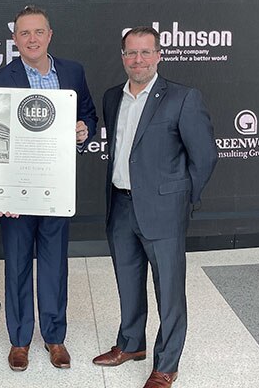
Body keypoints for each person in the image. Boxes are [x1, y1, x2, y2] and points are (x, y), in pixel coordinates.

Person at [91, 26, 217, 388]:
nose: (138, 60)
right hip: (120, 205)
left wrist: (182, 200)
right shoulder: (112, 97)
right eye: (131, 53)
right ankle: (131, 345)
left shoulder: (182, 97)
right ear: (122, 57)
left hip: (164, 212)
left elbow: (205, 156)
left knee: (170, 292)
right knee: (128, 283)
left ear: (159, 55)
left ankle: (166, 365)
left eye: (146, 52)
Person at [0, 5, 98, 371]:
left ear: (49, 35)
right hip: (16, 190)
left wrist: (84, 130)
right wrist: (0, 192)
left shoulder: (72, 72)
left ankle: (54, 337)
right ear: (14, 39)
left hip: (56, 185)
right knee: (16, 263)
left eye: (38, 32)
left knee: (54, 263)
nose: (31, 39)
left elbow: (90, 115)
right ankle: (19, 341)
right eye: (24, 33)